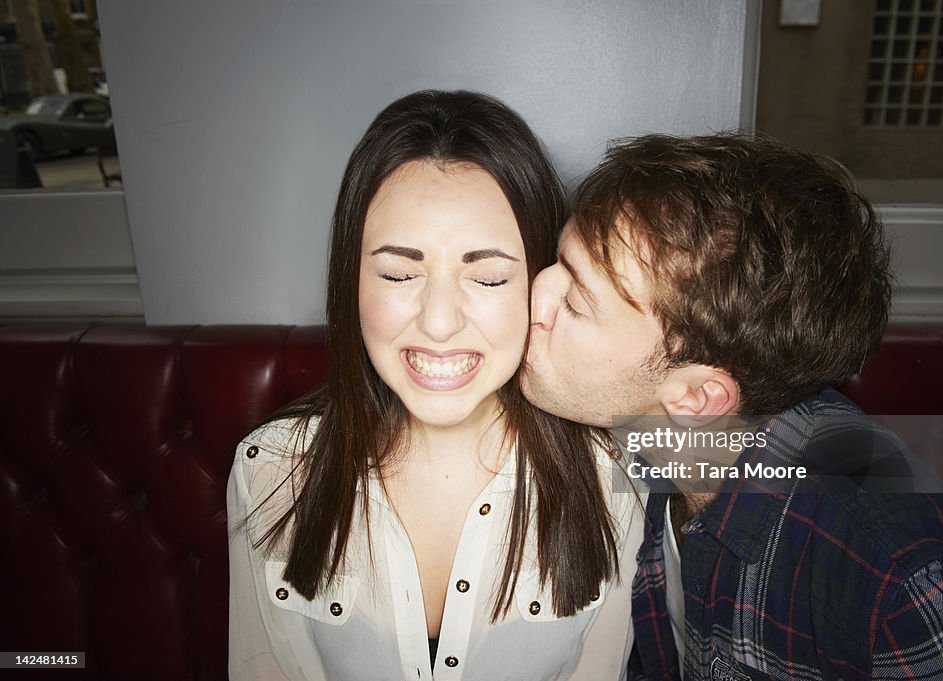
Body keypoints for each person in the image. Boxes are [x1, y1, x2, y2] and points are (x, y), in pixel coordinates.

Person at [521, 132, 943, 680]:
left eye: (575, 301)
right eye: (558, 261)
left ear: (696, 399)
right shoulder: (639, 441)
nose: (535, 294)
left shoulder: (889, 566)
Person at [227, 90, 644, 681]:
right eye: (399, 273)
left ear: (543, 283)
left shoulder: (619, 468)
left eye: (490, 277)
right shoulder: (271, 469)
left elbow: (786, 453)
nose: (440, 321)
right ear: (352, 279)